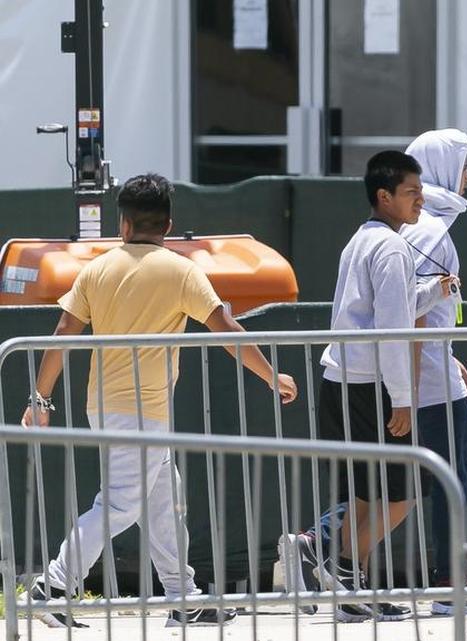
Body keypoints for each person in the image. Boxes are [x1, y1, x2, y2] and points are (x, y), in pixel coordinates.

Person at [22, 173, 298, 628]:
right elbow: (226, 330)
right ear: (168, 225)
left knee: (163, 502)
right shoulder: (182, 270)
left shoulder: (97, 268)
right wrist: (271, 375)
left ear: (124, 224)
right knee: (121, 505)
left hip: (107, 405)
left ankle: (182, 595)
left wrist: (41, 398)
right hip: (143, 410)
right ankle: (52, 586)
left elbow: (63, 335)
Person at [279, 150, 453, 623]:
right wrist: (402, 398)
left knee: (365, 494)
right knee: (402, 493)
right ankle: (340, 567)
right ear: (384, 196)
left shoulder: (362, 239)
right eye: (411, 192)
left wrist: (435, 290)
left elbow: (384, 307)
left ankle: (347, 582)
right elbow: (393, 327)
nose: (420, 200)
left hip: (341, 378)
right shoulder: (393, 247)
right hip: (369, 384)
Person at [401, 128, 467, 614]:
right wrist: (420, 380)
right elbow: (416, 314)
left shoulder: (423, 223)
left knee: (406, 483)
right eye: (463, 166)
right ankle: (451, 581)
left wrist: (449, 359)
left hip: (429, 371)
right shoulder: (429, 229)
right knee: (447, 480)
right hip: (426, 383)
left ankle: (316, 543)